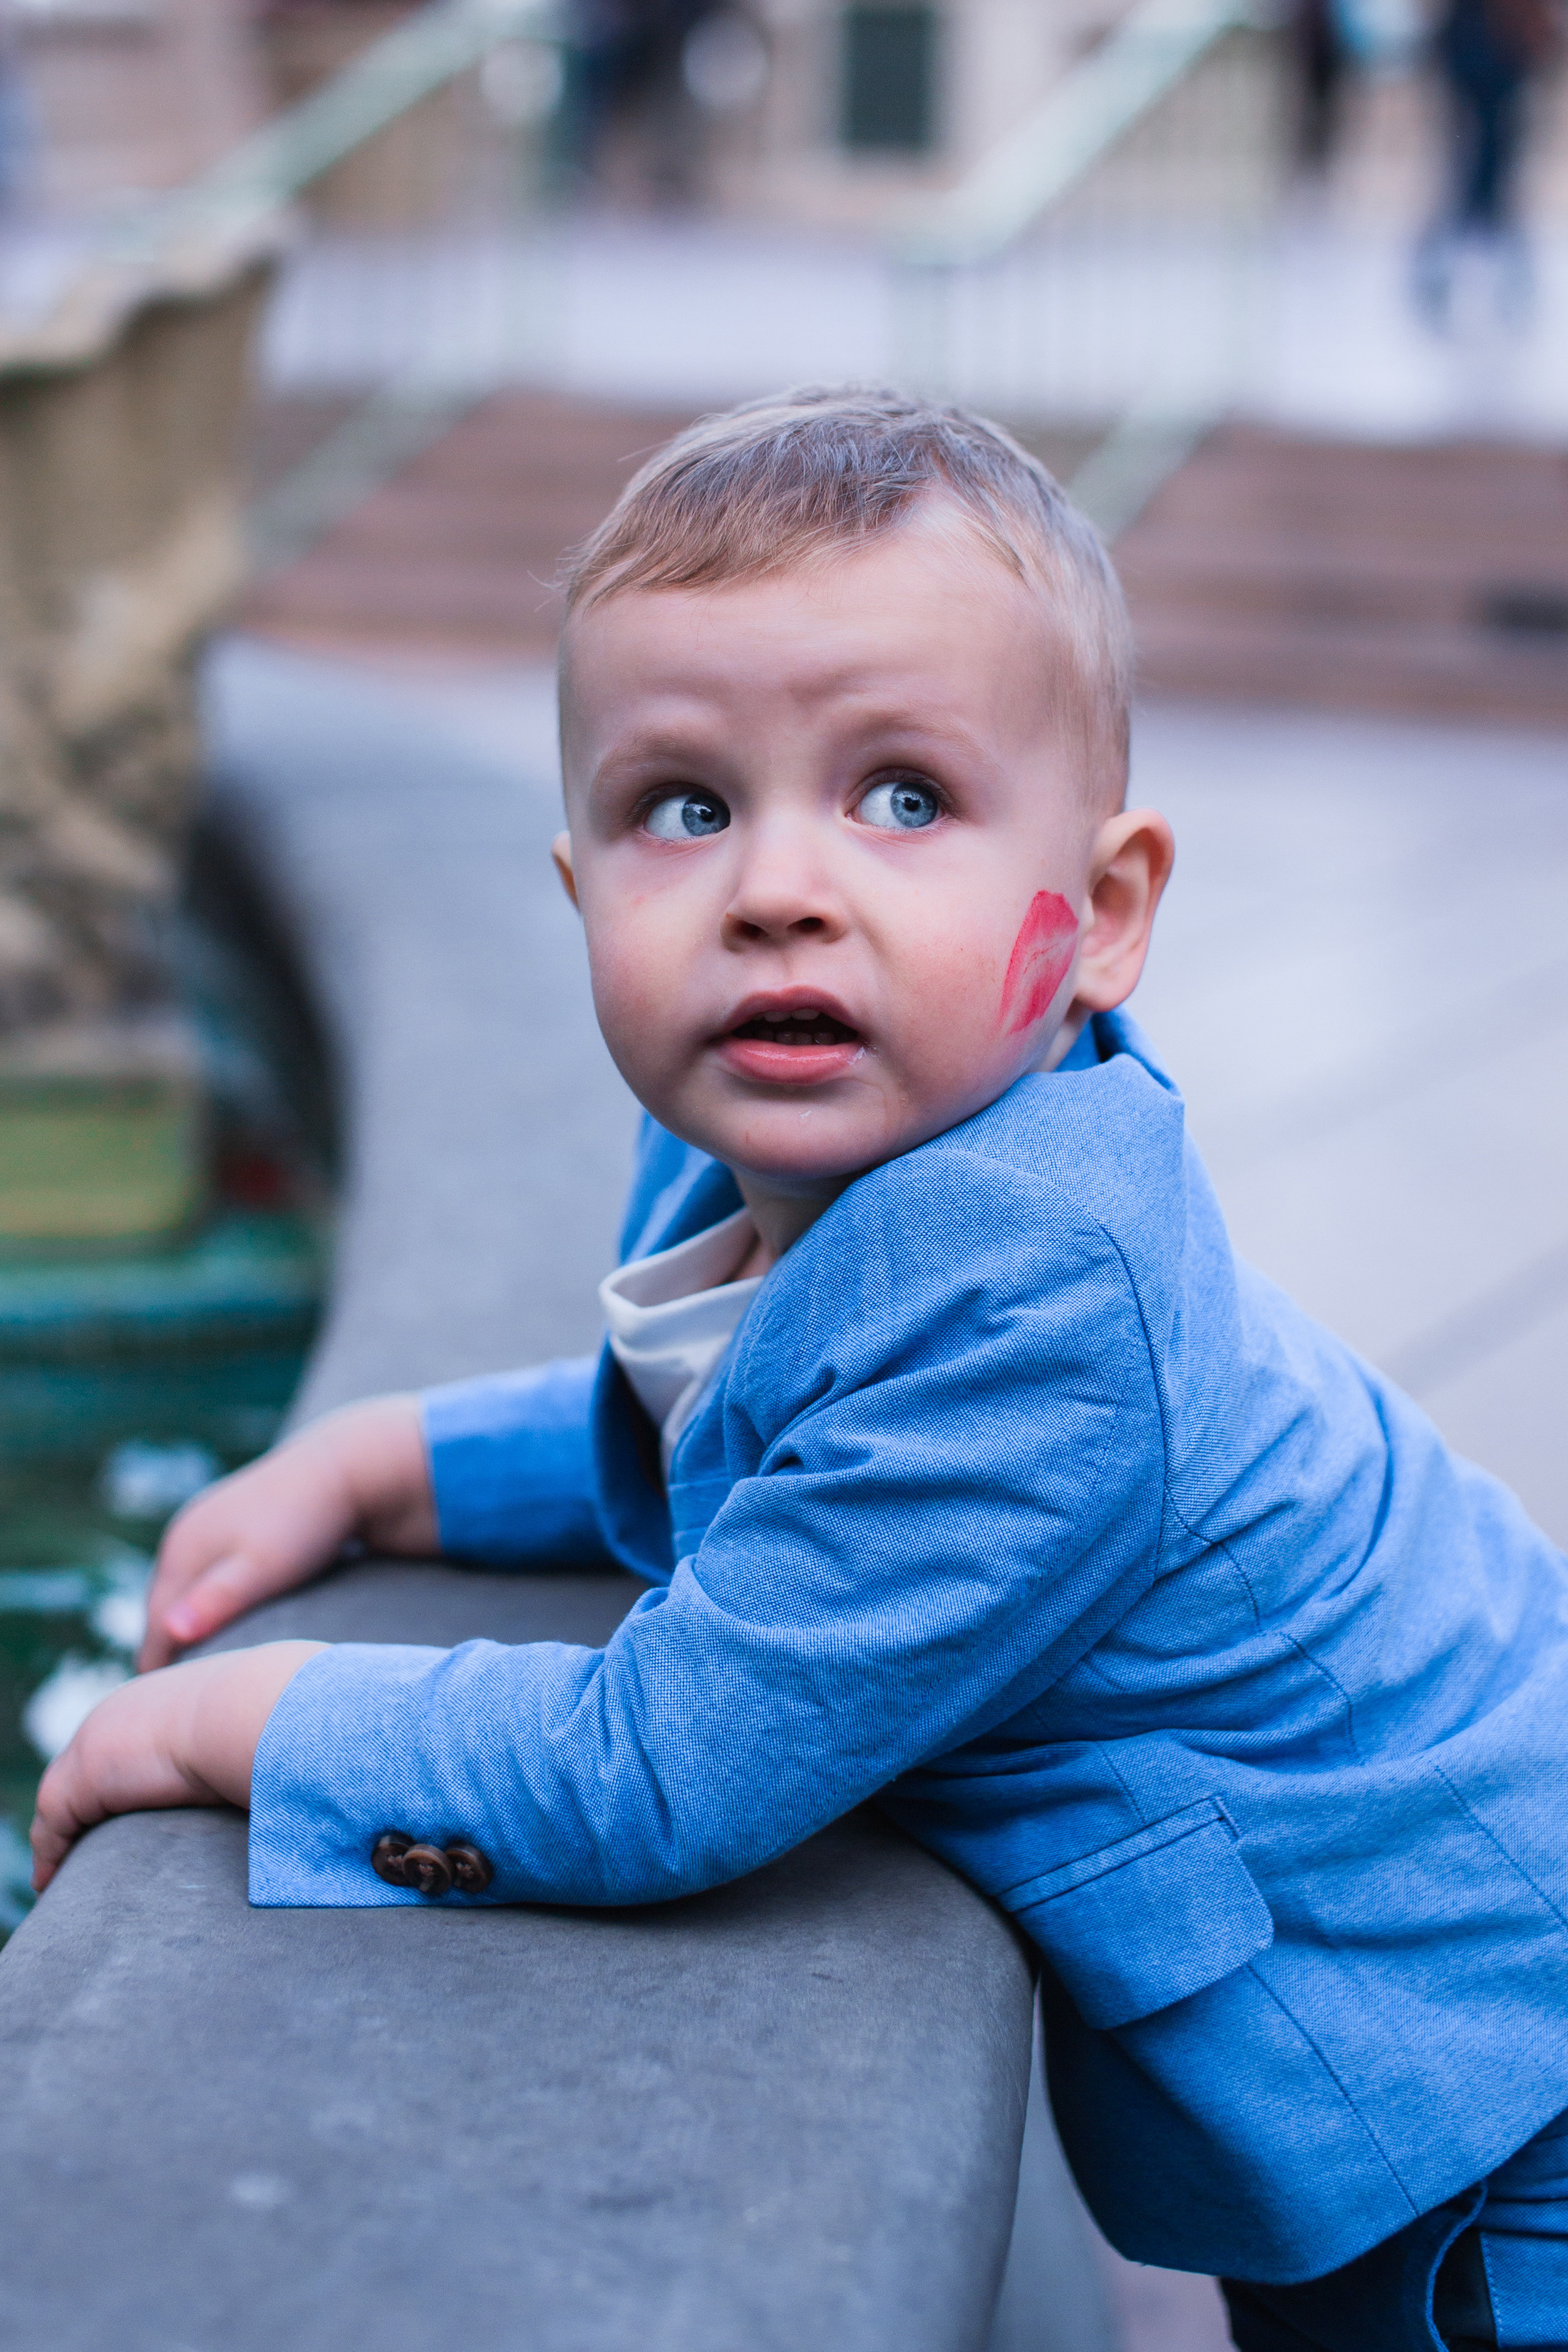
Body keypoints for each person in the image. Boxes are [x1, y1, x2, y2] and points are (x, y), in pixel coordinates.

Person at [28, 387, 1568, 2351]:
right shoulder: (796, 1136)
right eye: (686, 803)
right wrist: (395, 1462)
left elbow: (656, 1772)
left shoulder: (1039, 1301)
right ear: (584, 896)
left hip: (1484, 2075)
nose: (775, 883)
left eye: (903, 796)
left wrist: (226, 1730)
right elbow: (735, 1398)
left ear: (1100, 916)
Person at [1413, 0, 1559, 326]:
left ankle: (1496, 278)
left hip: (1500, 47)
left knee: (1487, 171)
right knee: (1478, 173)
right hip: (1483, 46)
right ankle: (1453, 274)